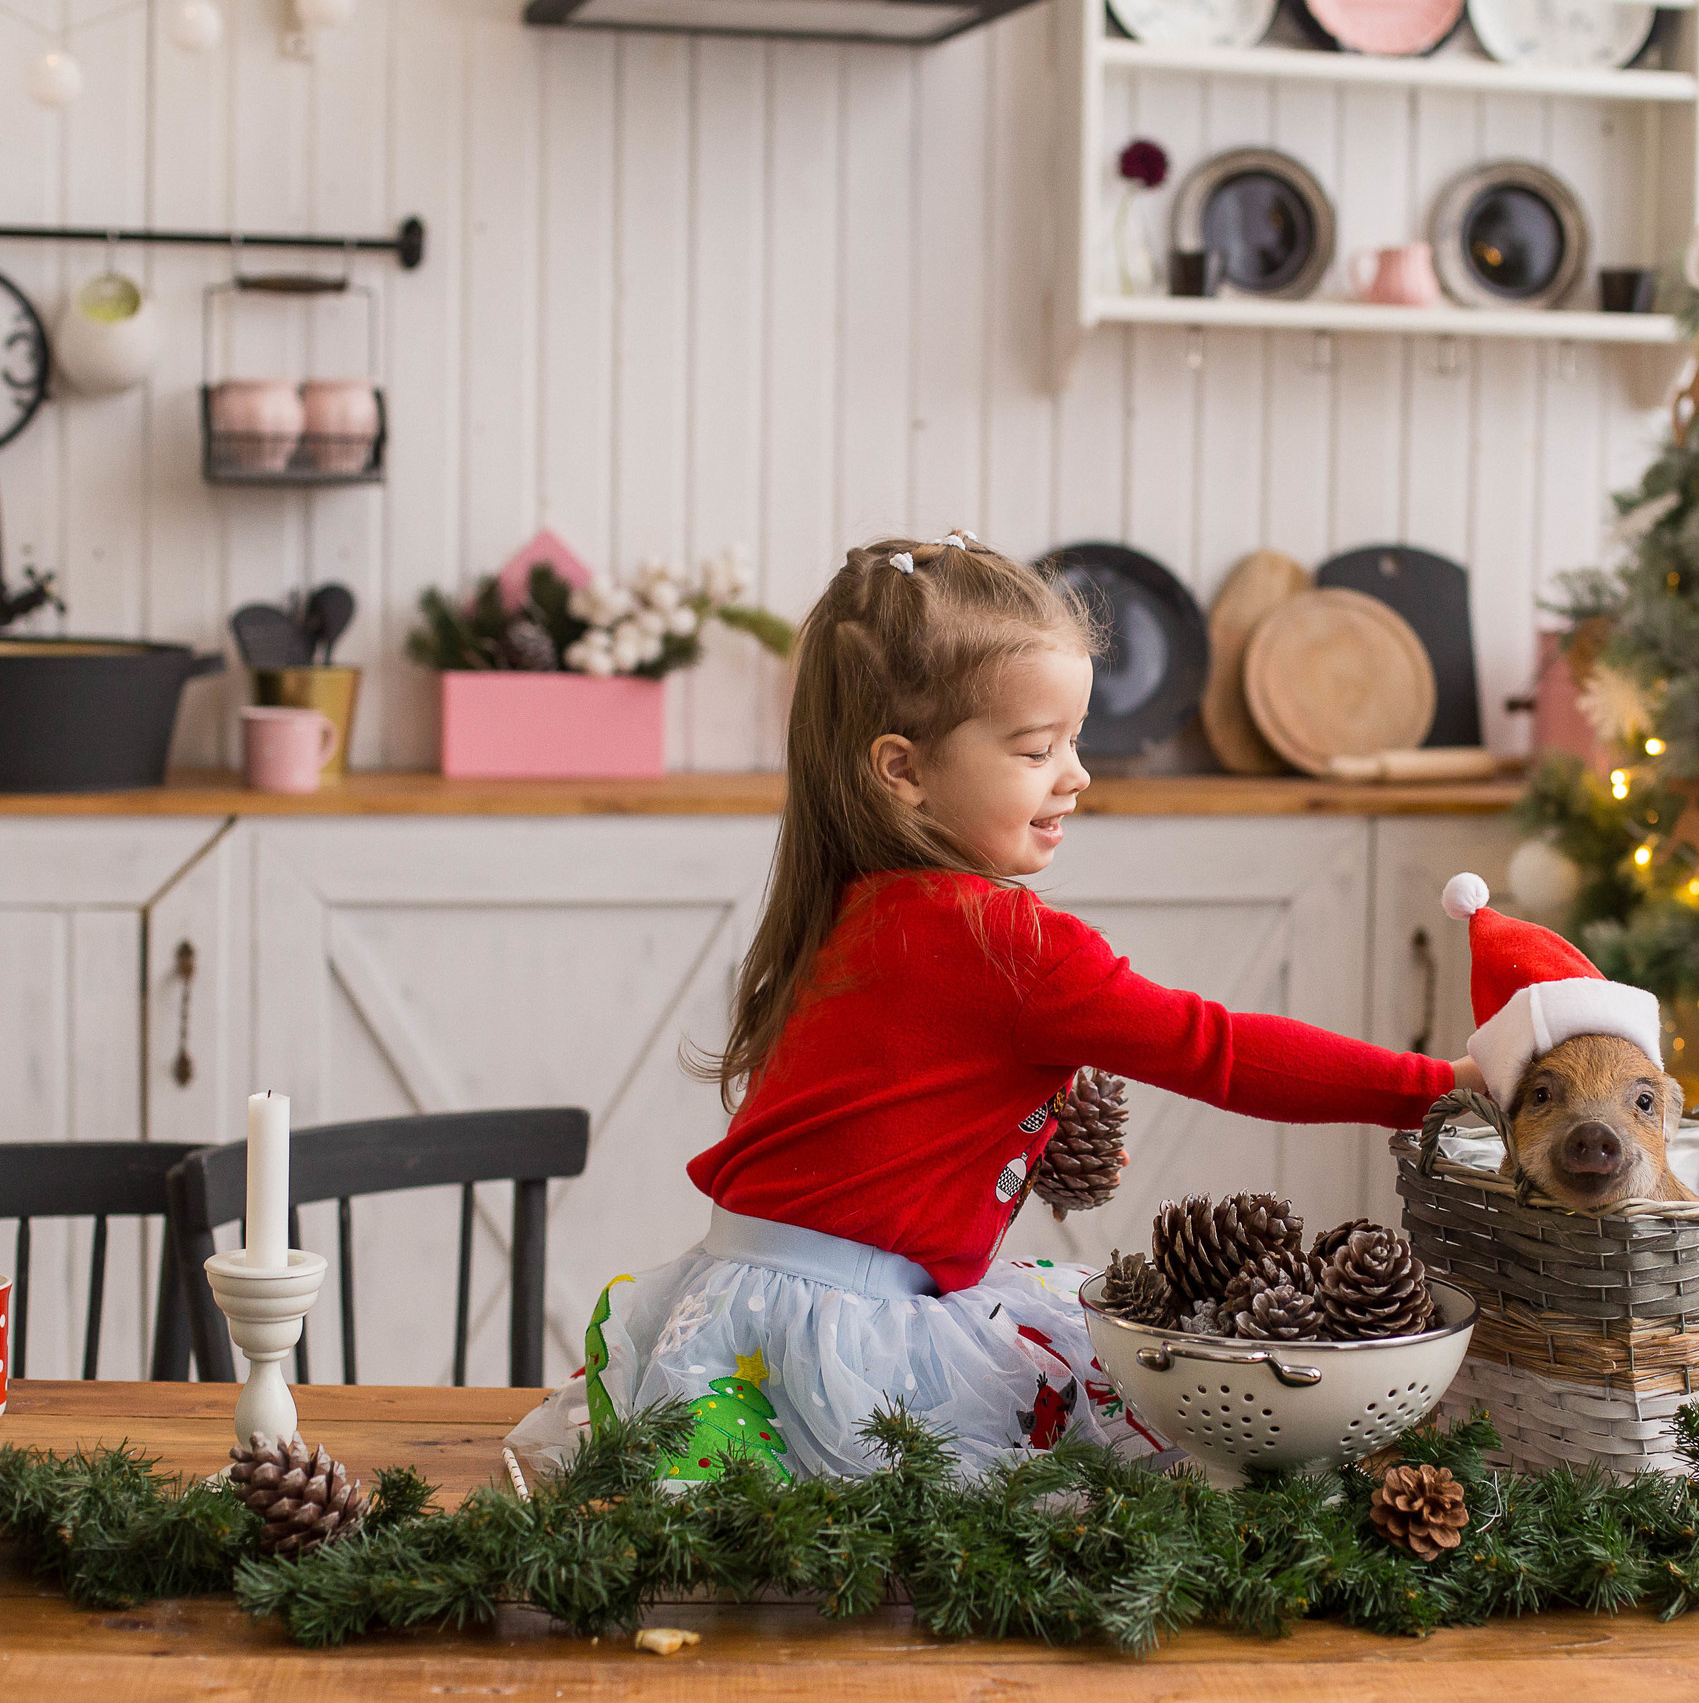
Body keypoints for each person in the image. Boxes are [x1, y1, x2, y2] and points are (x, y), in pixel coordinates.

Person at [508, 533, 1481, 1484]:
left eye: (1075, 740)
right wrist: (1440, 1090)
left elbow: (890, 1124)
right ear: (904, 769)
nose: (1077, 774)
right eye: (1035, 749)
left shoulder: (862, 904)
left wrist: (1029, 1134)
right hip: (843, 1344)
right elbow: (1216, 1051)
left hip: (739, 1308)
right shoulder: (1004, 942)